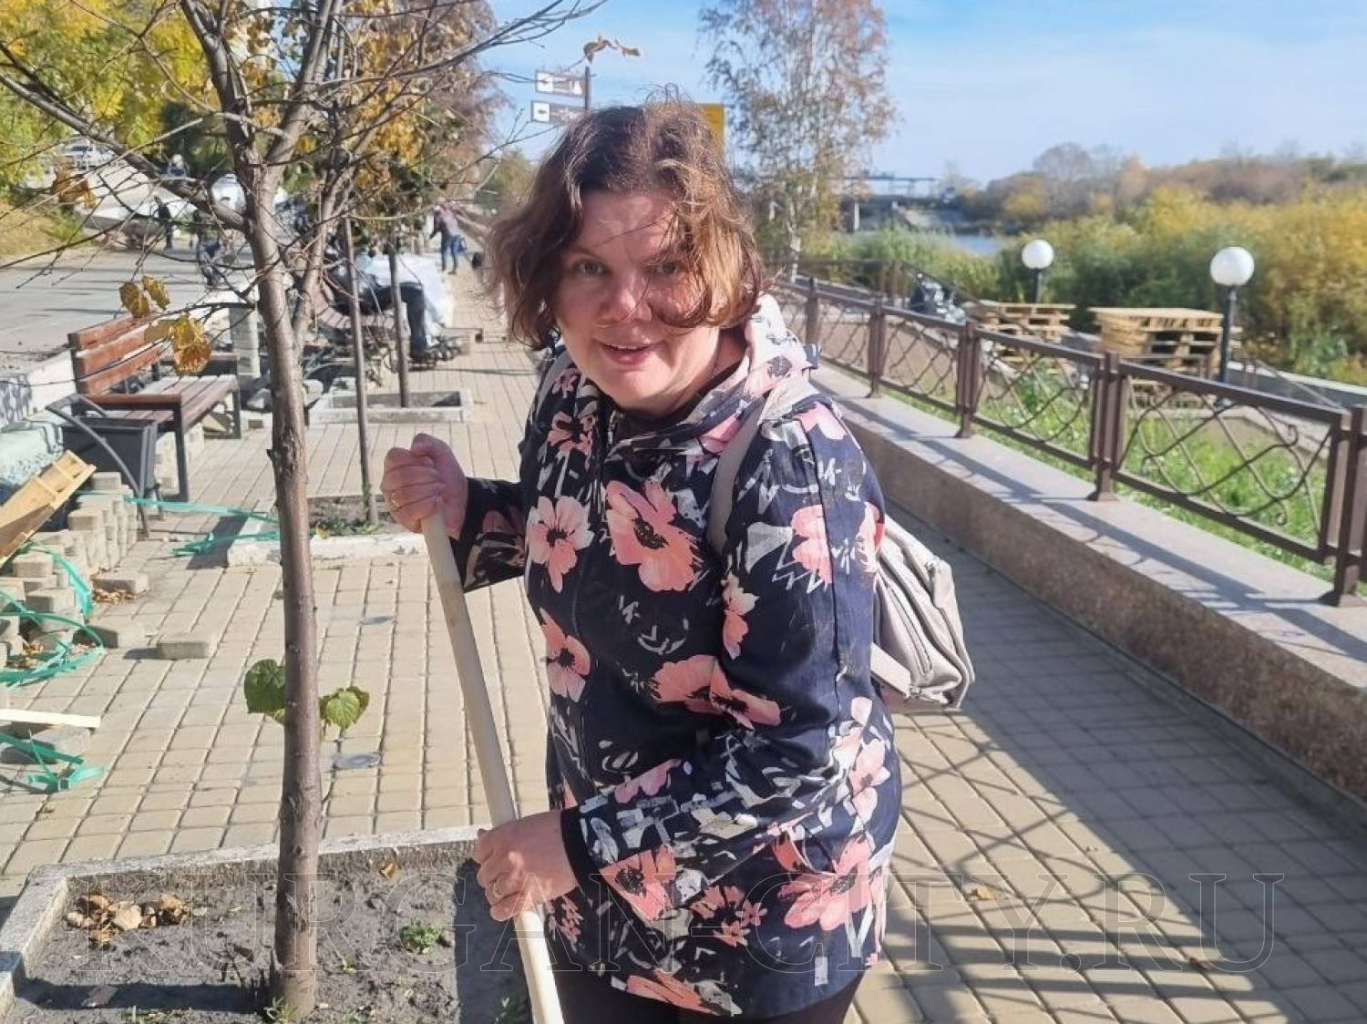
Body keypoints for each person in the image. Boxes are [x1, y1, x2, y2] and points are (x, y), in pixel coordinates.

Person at [381, 101, 900, 1023]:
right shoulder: (572, 387)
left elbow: (800, 749)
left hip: (758, 925)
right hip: (600, 902)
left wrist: (578, 844)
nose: (625, 309)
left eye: (664, 267)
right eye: (590, 267)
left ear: (725, 272)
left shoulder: (790, 463)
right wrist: (469, 514)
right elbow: (575, 531)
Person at [323, 242, 432, 361]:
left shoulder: (338, 270)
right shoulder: (337, 272)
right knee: (415, 292)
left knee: (414, 289)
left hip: (372, 293)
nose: (336, 253)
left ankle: (419, 344)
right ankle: (419, 347)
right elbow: (359, 292)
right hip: (371, 299)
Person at [430, 200, 463, 273]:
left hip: (448, 234)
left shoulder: (437, 215)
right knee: (454, 251)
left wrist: (431, 236)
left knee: (444, 251)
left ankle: (444, 268)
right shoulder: (449, 212)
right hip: (457, 233)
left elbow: (436, 228)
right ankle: (455, 269)